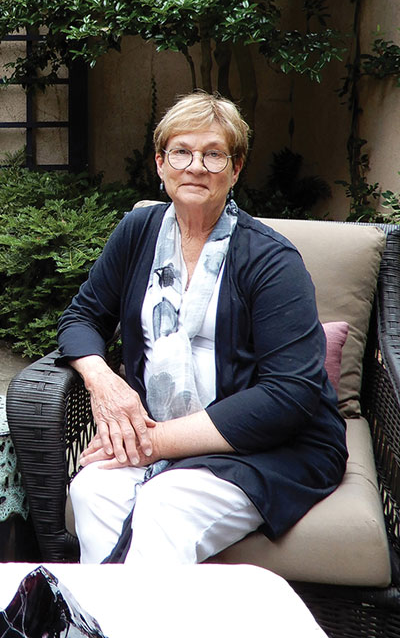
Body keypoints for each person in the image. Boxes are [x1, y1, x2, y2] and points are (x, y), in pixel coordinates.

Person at [58, 91, 346, 566]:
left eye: (213, 154)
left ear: (235, 170)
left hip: (265, 448)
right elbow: (82, 316)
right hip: (154, 430)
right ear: (160, 163)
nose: (195, 166)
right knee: (93, 489)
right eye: (181, 152)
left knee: (166, 506)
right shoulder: (138, 232)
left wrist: (153, 443)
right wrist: (103, 380)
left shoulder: (272, 261)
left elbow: (289, 395)